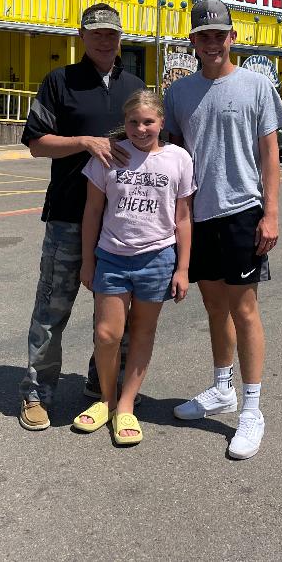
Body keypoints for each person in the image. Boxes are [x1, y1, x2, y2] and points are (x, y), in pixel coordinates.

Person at [163, 0, 282, 460]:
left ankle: (252, 409)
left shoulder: (256, 85)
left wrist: (271, 213)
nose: (212, 43)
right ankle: (222, 388)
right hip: (198, 216)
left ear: (233, 37)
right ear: (193, 41)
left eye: (220, 35)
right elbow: (174, 157)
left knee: (244, 311)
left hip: (242, 212)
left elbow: (270, 154)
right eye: (204, 36)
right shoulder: (178, 93)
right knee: (214, 308)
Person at [18, 3, 144, 431]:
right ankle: (38, 393)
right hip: (68, 216)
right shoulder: (60, 81)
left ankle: (100, 383)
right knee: (52, 308)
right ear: (82, 37)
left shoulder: (134, 86)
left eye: (111, 33)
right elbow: (36, 143)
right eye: (96, 33)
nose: (104, 40)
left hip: (121, 221)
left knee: (115, 313)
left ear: (120, 37)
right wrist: (85, 142)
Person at [72, 90, 195, 445]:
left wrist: (183, 268)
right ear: (124, 123)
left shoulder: (178, 158)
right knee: (107, 335)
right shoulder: (109, 155)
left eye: (148, 122)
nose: (141, 129)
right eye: (133, 122)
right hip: (112, 257)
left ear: (161, 122)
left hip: (158, 258)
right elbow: (92, 211)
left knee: (142, 332)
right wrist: (88, 261)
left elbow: (183, 217)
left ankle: (126, 405)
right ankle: (106, 400)